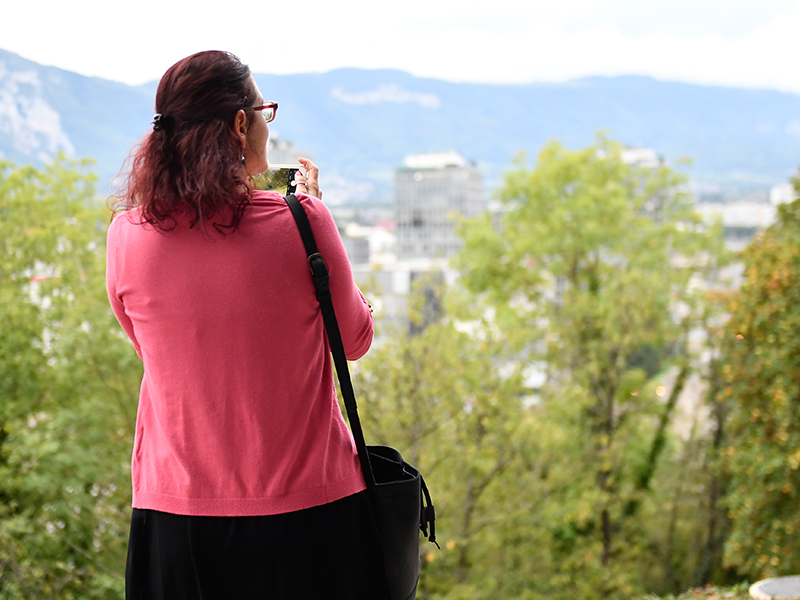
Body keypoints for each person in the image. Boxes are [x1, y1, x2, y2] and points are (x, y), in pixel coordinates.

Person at [106, 50, 388, 599]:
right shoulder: (302, 223)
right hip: (312, 513)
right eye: (264, 112)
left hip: (175, 521)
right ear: (241, 124)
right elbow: (355, 340)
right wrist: (316, 225)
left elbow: (157, 351)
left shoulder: (126, 237)